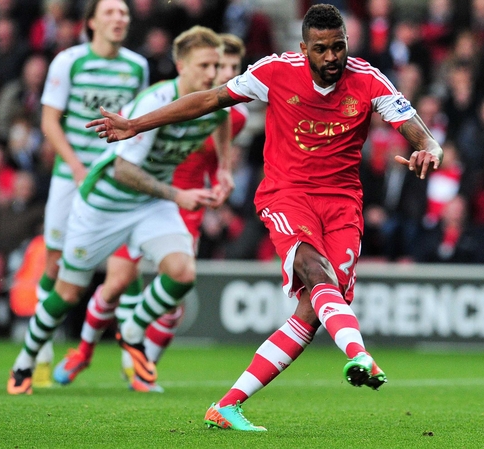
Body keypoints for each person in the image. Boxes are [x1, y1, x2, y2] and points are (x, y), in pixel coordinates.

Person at [87, 3, 443, 431]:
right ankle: (359, 355)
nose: (332, 57)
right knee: (316, 271)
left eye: (339, 47)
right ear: (303, 47)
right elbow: (210, 99)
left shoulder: (367, 78)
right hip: (287, 194)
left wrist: (430, 149)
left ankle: (228, 405)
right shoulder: (274, 70)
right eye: (321, 49)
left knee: (312, 312)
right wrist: (137, 124)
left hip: (344, 205)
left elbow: (418, 130)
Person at [7, 24, 231, 395]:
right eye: (204, 65)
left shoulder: (212, 102)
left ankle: (131, 329)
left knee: (183, 272)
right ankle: (25, 361)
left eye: (216, 65)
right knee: (67, 294)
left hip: (149, 205)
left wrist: (223, 169)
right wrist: (178, 195)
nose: (213, 74)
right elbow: (124, 169)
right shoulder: (155, 102)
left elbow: (222, 120)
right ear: (180, 65)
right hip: (104, 205)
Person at [30, 0, 149, 387]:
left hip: (115, 179)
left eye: (125, 14)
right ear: (92, 22)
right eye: (111, 13)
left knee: (126, 268)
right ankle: (41, 356)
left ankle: (134, 367)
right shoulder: (68, 61)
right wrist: (79, 167)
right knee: (54, 264)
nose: (120, 19)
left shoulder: (137, 66)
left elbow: (137, 124)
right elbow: (49, 121)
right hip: (71, 175)